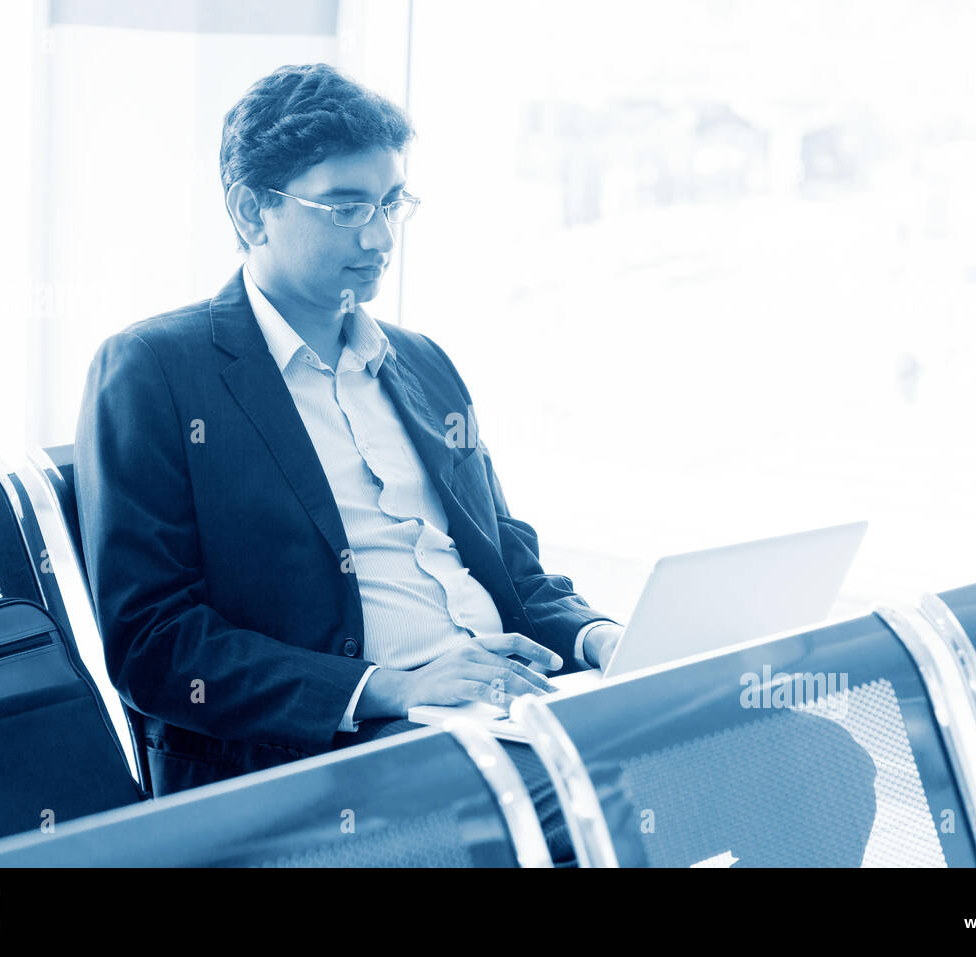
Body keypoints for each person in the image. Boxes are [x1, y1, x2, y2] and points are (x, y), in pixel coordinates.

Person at [74, 63, 622, 863]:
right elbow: (153, 642)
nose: (379, 238)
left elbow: (511, 566)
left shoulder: (424, 363)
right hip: (333, 756)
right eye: (344, 207)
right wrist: (392, 687)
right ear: (251, 211)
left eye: (390, 202)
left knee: (804, 748)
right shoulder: (155, 368)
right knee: (607, 806)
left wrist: (602, 639)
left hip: (502, 709)